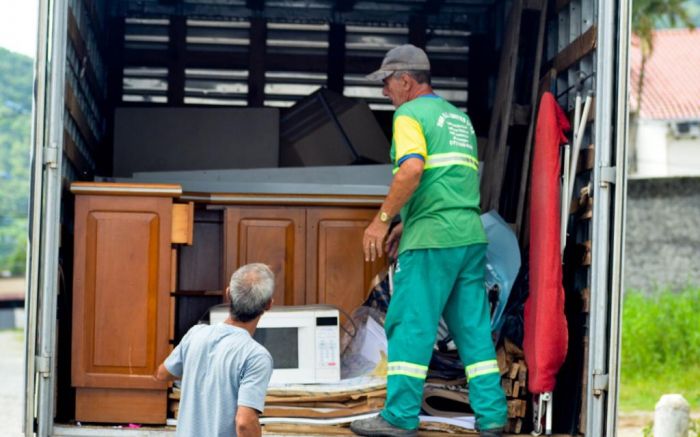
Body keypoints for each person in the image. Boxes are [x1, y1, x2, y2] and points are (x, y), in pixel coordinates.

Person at [349, 44, 507, 437]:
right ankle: (492, 417)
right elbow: (448, 179)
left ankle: (400, 417)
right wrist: (407, 221)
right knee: (472, 331)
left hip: (433, 240)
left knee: (409, 324)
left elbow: (412, 171)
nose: (385, 92)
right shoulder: (459, 120)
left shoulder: (408, 114)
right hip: (469, 237)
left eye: (387, 83)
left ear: (405, 80)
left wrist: (381, 222)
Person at [155, 263, 275, 437]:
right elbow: (245, 423)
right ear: (268, 305)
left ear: (228, 294)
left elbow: (162, 374)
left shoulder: (195, 334)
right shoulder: (256, 356)